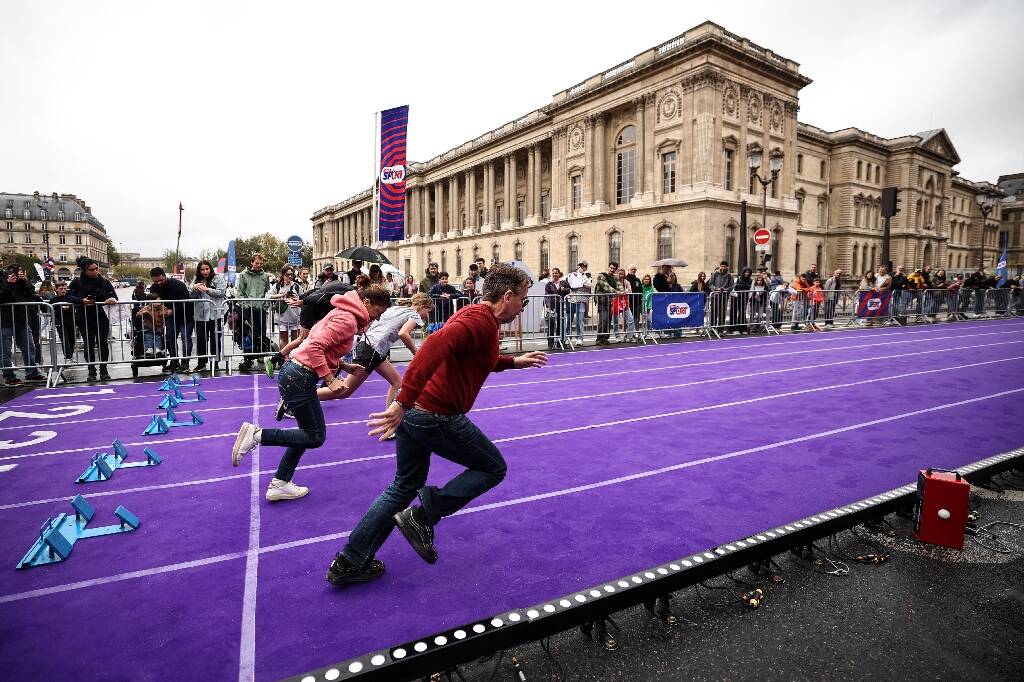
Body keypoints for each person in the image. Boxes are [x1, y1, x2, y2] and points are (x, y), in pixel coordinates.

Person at [326, 263, 548, 586]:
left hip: (417, 413)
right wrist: (401, 403)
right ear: (509, 296)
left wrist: (513, 362)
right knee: (493, 468)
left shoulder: (477, 317)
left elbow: (475, 358)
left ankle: (348, 561)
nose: (522, 307)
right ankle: (423, 515)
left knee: (402, 487)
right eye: (523, 301)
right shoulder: (480, 321)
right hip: (434, 414)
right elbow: (432, 346)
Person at [232, 284, 393, 501]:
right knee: (315, 436)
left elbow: (317, 345)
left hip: (295, 373)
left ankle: (280, 483)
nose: (378, 319)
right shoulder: (348, 320)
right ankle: (257, 434)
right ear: (366, 303)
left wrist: (344, 367)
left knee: (305, 433)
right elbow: (315, 346)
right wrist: (330, 379)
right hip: (299, 377)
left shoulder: (343, 312)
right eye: (378, 312)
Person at [312, 293, 434, 430]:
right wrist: (415, 352)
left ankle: (390, 422)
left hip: (372, 347)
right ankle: (301, 396)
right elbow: (403, 333)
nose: (427, 316)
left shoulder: (397, 308)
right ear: (422, 307)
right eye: (428, 311)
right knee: (345, 391)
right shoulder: (414, 315)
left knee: (397, 382)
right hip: (372, 350)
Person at [67, 257, 117, 381]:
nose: (95, 272)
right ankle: (91, 371)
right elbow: (68, 296)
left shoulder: (104, 282)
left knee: (103, 343)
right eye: (91, 270)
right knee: (88, 344)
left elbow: (114, 296)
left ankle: (104, 370)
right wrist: (81, 301)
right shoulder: (77, 282)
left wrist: (110, 299)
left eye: (96, 269)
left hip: (101, 317)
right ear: (84, 271)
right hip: (84, 318)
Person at [0, 265, 47, 385]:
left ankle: (31, 373)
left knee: (30, 348)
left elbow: (30, 292)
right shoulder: (6, 280)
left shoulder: (10, 276)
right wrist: (9, 284)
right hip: (4, 321)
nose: (1, 263)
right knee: (5, 352)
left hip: (21, 319)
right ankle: (9, 377)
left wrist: (23, 281)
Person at [149, 267, 194, 373]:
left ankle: (185, 364)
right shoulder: (153, 288)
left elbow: (186, 303)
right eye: (156, 281)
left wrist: (171, 311)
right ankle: (174, 362)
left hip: (185, 316)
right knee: (170, 338)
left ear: (165, 276)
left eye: (161, 280)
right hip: (170, 317)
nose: (159, 283)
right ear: (152, 280)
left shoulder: (178, 285)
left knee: (185, 339)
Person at [235, 253, 271, 371]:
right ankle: (248, 357)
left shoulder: (265, 276)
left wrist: (264, 304)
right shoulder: (243, 275)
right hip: (247, 309)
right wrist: (245, 306)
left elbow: (267, 291)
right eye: (256, 263)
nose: (259, 265)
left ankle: (261, 355)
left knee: (261, 332)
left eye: (261, 263)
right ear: (251, 262)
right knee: (248, 334)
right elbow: (239, 293)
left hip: (260, 309)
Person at [191, 259, 227, 372]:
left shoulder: (218, 278)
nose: (205, 271)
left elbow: (221, 292)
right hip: (200, 315)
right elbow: (191, 296)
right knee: (201, 339)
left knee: (215, 338)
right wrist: (195, 288)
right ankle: (201, 363)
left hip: (217, 313)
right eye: (202, 269)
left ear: (210, 269)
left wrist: (207, 289)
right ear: (199, 271)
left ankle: (215, 362)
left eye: (207, 269)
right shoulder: (196, 280)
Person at [268, 266, 303, 352]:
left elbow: (303, 298)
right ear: (283, 275)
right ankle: (284, 359)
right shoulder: (277, 286)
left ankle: (294, 360)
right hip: (282, 318)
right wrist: (280, 295)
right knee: (283, 339)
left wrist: (296, 297)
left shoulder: (297, 286)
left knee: (295, 340)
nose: (290, 277)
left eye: (291, 275)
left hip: (295, 318)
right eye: (287, 275)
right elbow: (268, 296)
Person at [49, 281, 78, 364]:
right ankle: (68, 357)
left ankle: (71, 355)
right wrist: (61, 309)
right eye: (61, 289)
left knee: (71, 339)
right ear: (56, 289)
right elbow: (52, 310)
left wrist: (69, 307)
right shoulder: (53, 299)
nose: (63, 290)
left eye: (65, 288)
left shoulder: (70, 297)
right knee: (64, 339)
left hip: (71, 321)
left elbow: (77, 304)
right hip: (60, 322)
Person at [594, 262, 621, 345]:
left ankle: (605, 338)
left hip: (610, 301)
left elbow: (619, 285)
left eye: (614, 269)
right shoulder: (601, 276)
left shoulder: (614, 278)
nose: (612, 270)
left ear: (616, 270)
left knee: (609, 320)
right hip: (602, 301)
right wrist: (618, 292)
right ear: (608, 267)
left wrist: (622, 291)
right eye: (611, 268)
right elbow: (606, 287)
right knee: (604, 319)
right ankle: (599, 338)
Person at [565, 261, 591, 343]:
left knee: (579, 320)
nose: (581, 268)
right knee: (569, 319)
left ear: (586, 267)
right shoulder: (572, 274)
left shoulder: (587, 275)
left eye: (583, 266)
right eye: (580, 266)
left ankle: (579, 338)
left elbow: (588, 284)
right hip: (571, 299)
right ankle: (568, 337)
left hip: (581, 300)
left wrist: (580, 277)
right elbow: (569, 284)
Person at [544, 267, 570, 348]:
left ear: (559, 274)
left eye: (556, 273)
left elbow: (569, 290)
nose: (555, 274)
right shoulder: (549, 284)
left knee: (560, 324)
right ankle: (550, 343)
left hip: (561, 306)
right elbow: (546, 295)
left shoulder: (564, 282)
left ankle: (560, 342)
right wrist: (548, 307)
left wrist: (564, 289)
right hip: (552, 306)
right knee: (551, 324)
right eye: (553, 273)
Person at [707, 261, 734, 329]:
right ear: (720, 266)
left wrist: (723, 290)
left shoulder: (730, 276)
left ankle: (720, 329)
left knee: (722, 313)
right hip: (715, 296)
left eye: (724, 266)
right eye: (722, 266)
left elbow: (731, 287)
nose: (723, 268)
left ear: (727, 267)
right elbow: (710, 284)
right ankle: (712, 328)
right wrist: (716, 289)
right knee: (713, 312)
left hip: (724, 297)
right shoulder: (715, 274)